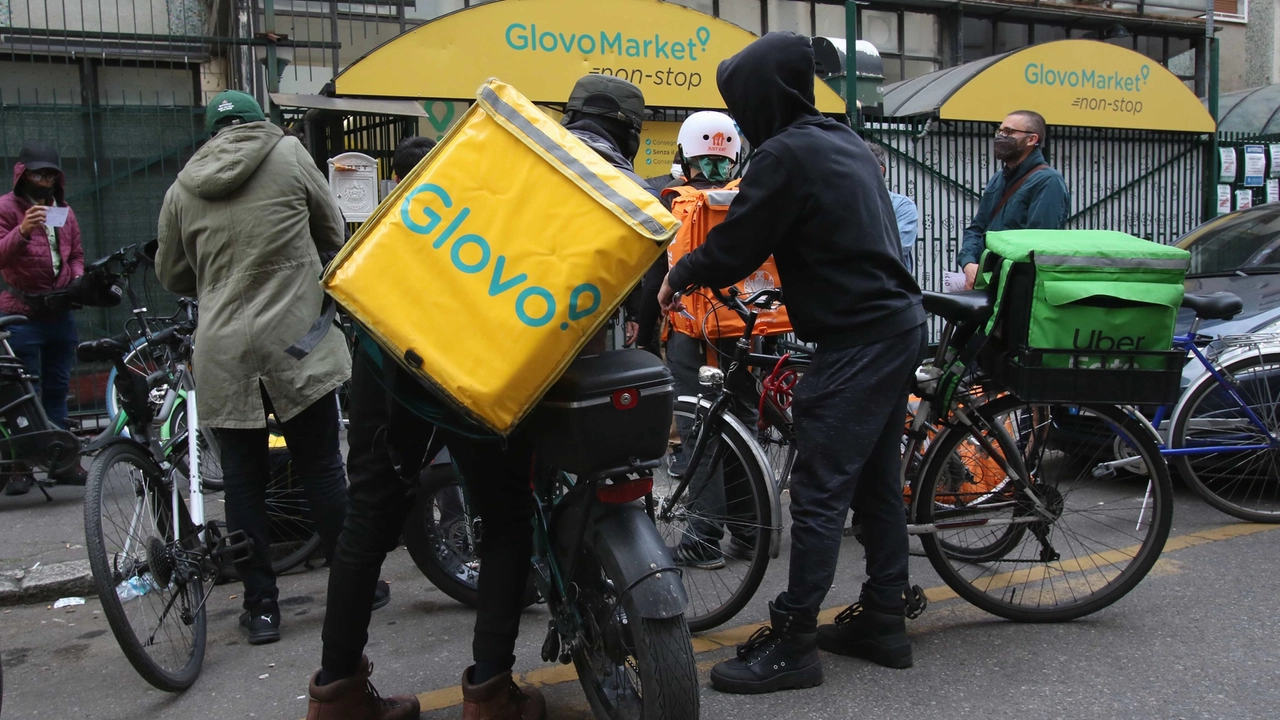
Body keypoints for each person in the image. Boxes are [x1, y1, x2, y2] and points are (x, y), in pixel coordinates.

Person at [303, 75, 655, 720]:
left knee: (368, 517)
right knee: (505, 515)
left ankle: (337, 694)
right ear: (630, 135)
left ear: (569, 115)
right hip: (486, 367)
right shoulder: (617, 196)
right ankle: (490, 693)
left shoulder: (512, 147)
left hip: (395, 344)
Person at [658, 32, 926, 695]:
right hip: (895, 326)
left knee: (816, 490)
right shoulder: (843, 142)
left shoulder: (784, 154)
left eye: (740, 99)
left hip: (858, 339)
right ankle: (884, 619)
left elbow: (741, 241)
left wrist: (680, 274)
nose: (741, 114)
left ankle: (794, 640)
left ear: (761, 95)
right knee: (873, 482)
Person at [156, 90, 376, 647]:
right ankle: (357, 588)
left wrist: (217, 282)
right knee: (322, 467)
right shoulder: (291, 154)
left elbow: (172, 275)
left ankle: (261, 610)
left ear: (211, 132)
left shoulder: (183, 185)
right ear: (261, 121)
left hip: (223, 351)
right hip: (296, 342)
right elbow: (333, 234)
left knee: (244, 483)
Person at [659, 110, 758, 569]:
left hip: (691, 331)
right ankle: (750, 530)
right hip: (749, 327)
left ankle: (701, 538)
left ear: (683, 155)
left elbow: (654, 274)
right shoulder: (753, 199)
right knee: (744, 423)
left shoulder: (675, 203)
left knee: (701, 430)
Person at [0, 140, 88, 495]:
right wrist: (21, 231)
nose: (44, 180)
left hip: (60, 313)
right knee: (24, 394)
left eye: (50, 175)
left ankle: (61, 461)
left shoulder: (63, 210)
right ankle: (21, 465)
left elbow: (77, 253)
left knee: (57, 388)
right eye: (38, 173)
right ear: (23, 173)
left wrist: (77, 279)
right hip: (22, 315)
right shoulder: (7, 208)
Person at [959, 110, 1070, 290]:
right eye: (1000, 131)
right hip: (984, 281)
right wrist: (969, 263)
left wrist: (990, 271)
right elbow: (977, 228)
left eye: (1009, 132)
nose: (1001, 137)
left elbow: (1036, 245)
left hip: (1014, 288)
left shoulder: (1048, 182)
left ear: (1031, 139)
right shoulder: (998, 178)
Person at [868, 144, 919, 275]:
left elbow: (894, 252)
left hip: (889, 289)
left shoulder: (902, 206)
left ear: (880, 171)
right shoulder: (846, 204)